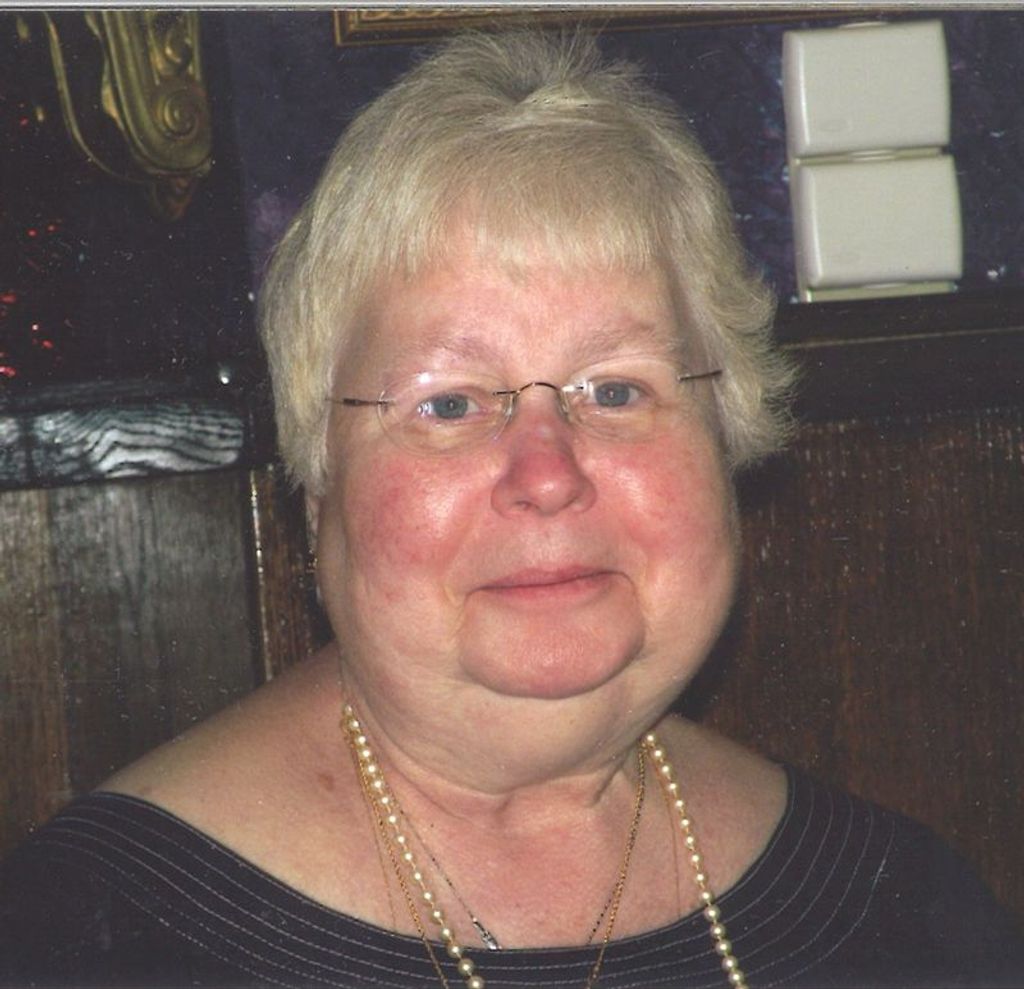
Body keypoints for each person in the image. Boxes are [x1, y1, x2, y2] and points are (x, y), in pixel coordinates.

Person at [1, 28, 1021, 989]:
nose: (547, 471)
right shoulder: (80, 936)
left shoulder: (910, 913)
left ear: (729, 434)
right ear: (317, 481)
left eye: (615, 388)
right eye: (448, 403)